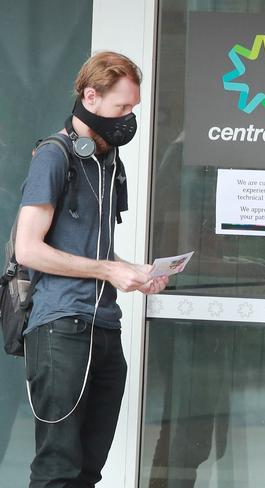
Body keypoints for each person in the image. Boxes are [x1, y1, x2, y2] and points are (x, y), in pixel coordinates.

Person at [15, 51, 169, 488]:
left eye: (133, 109)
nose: (128, 120)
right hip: (61, 329)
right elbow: (28, 248)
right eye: (122, 108)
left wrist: (135, 271)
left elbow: (95, 250)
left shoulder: (108, 163)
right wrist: (108, 271)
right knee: (57, 470)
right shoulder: (53, 156)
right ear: (91, 97)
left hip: (104, 330)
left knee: (87, 472)